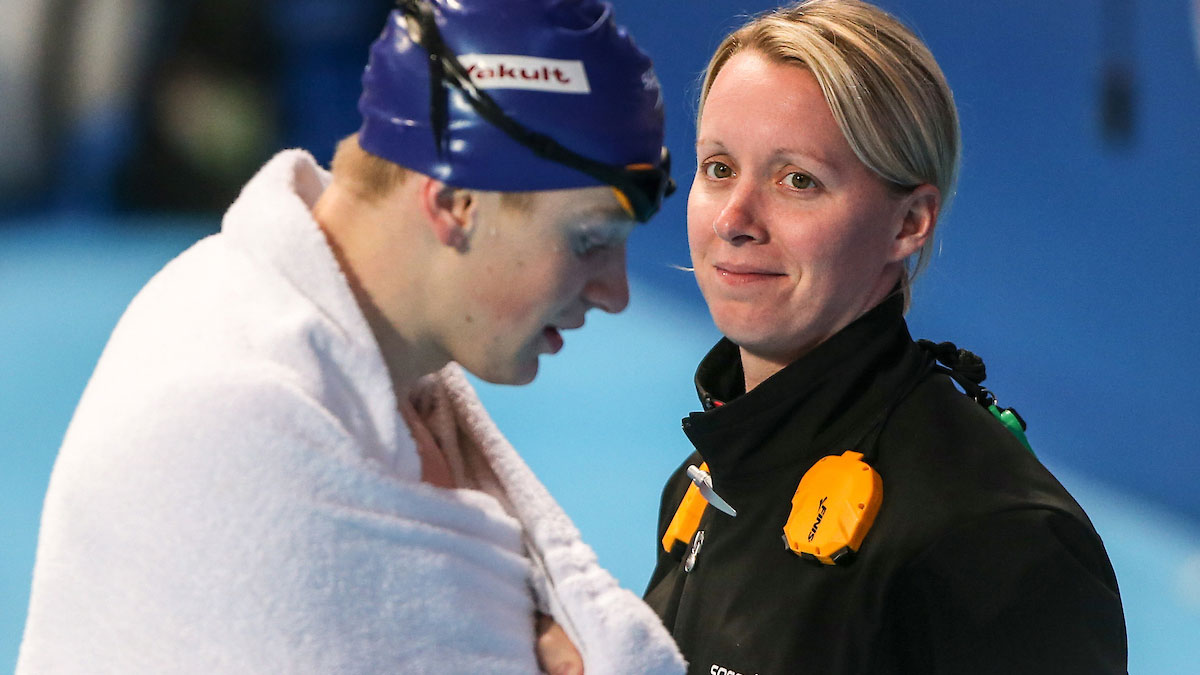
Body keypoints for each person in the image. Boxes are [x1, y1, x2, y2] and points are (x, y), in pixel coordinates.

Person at [18, 1, 685, 673]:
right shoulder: (232, 413)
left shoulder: (370, 362)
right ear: (455, 203)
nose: (614, 292)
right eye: (588, 240)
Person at [642, 1, 1127, 673]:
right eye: (719, 167)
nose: (734, 218)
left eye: (797, 180)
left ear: (909, 223)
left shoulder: (991, 537)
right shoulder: (703, 484)